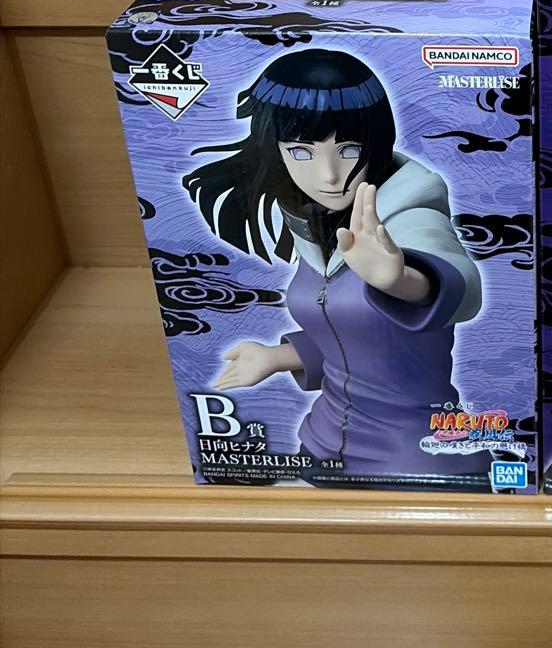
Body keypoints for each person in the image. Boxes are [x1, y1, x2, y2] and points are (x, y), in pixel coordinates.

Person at [183, 47, 490, 483]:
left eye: (348, 149)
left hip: (416, 452)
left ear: (375, 144)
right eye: (301, 151)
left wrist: (402, 280)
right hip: (322, 441)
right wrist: (276, 357)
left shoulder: (408, 217)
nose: (328, 174)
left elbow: (461, 287)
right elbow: (350, 338)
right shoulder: (316, 226)